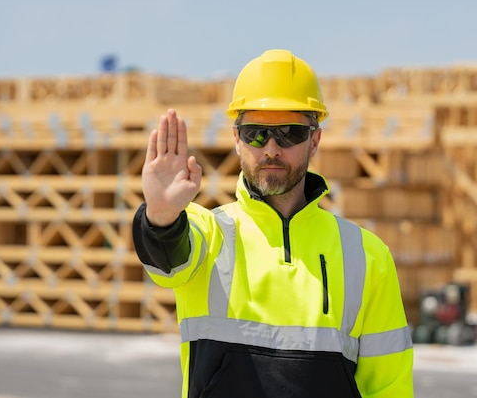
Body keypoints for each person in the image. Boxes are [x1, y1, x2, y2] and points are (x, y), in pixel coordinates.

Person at [132, 49, 414, 398]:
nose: (271, 148)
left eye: (289, 132)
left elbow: (389, 385)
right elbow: (168, 260)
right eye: (255, 133)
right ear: (237, 139)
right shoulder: (209, 234)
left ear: (315, 140)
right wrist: (160, 215)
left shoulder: (367, 256)